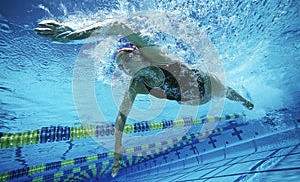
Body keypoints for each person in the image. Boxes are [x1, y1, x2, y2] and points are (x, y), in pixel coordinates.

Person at [35, 19, 254, 177]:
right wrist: (118, 146)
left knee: (227, 92)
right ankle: (243, 100)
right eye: (120, 67)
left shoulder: (153, 53)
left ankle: (245, 101)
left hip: (206, 82)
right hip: (196, 100)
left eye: (126, 59)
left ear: (137, 53)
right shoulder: (137, 85)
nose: (125, 67)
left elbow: (119, 26)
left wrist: (74, 35)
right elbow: (121, 116)